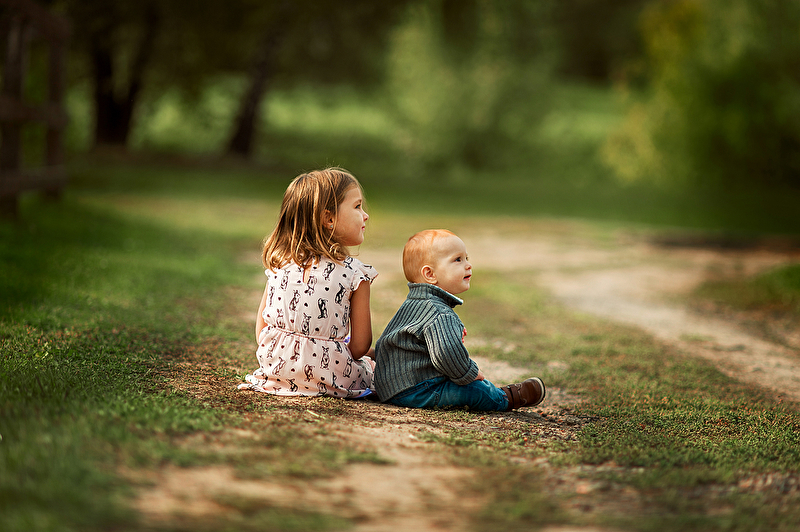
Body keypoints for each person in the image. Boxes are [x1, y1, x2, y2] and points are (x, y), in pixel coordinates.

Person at [238, 168, 377, 398]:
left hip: (275, 371)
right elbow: (360, 346)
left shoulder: (280, 263)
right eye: (357, 206)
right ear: (329, 218)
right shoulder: (355, 275)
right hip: (331, 376)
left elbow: (261, 330)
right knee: (372, 366)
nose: (365, 215)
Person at [374, 229, 546, 411]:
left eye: (466, 258)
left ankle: (494, 393)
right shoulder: (439, 312)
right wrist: (469, 373)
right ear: (430, 274)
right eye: (458, 260)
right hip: (416, 389)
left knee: (463, 385)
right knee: (475, 389)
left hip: (393, 387)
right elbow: (447, 354)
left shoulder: (414, 304)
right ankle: (506, 397)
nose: (468, 265)